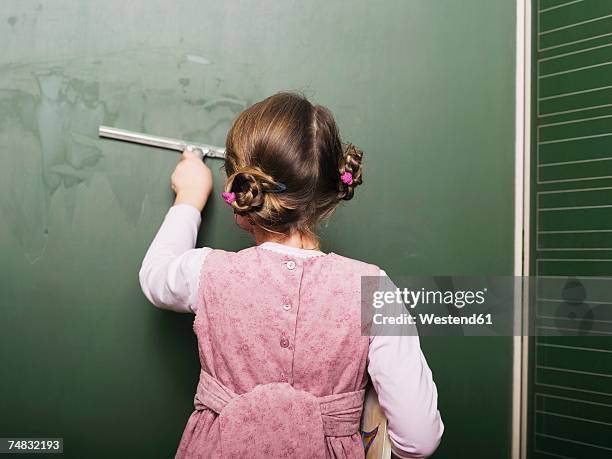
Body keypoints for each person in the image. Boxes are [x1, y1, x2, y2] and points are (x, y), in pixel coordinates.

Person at [139, 92, 443, 458]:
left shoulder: (206, 272)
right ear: (330, 189)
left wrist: (189, 196)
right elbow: (420, 439)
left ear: (240, 188)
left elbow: (155, 276)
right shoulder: (374, 289)